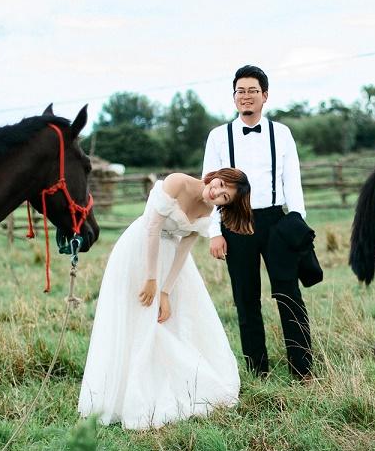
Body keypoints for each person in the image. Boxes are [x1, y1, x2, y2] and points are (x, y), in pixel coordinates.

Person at [78, 169, 253, 429]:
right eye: (220, 185)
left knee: (169, 321)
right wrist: (150, 279)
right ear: (216, 176)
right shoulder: (177, 182)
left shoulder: (207, 211)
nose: (216, 193)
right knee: (138, 316)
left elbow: (184, 248)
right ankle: (125, 393)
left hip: (171, 259)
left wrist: (165, 290)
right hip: (141, 249)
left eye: (224, 198)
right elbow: (152, 227)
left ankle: (166, 383)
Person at [204, 64, 313, 379]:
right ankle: (257, 370)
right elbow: (209, 187)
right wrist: (214, 232)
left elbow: (293, 180)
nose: (246, 96)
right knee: (245, 299)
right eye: (241, 91)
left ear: (265, 96)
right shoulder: (218, 137)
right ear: (234, 97)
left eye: (253, 91)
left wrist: (298, 222)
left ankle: (303, 369)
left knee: (288, 294)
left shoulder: (282, 133)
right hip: (236, 222)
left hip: (277, 221)